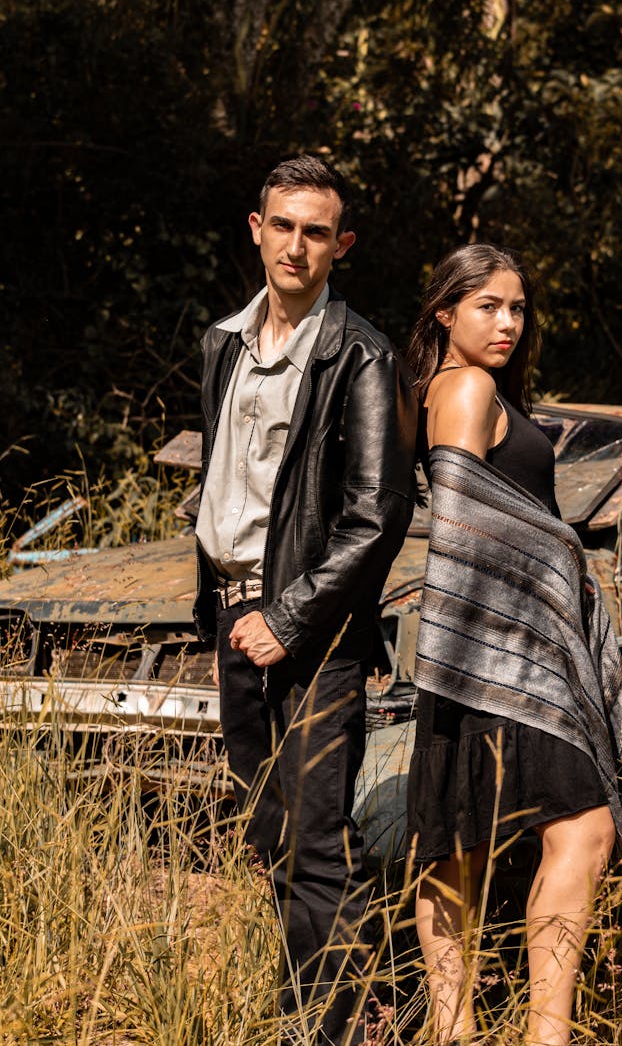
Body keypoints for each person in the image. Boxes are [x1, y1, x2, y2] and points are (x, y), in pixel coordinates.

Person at [192, 154, 418, 1044]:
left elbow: (376, 514)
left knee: (315, 840)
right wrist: (222, 607)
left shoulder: (361, 353)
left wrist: (288, 619)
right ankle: (380, 1004)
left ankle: (316, 1029)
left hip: (310, 630)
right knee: (272, 833)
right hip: (233, 617)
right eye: (282, 226)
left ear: (341, 245)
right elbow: (230, 485)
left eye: (316, 231)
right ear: (257, 229)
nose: (296, 246)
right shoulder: (223, 342)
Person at [404, 245, 622, 1046]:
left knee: (467, 840)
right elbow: (465, 527)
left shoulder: (476, 387)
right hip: (492, 654)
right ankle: (528, 1031)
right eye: (488, 307)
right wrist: (557, 562)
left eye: (518, 308)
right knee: (569, 828)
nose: (508, 323)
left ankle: (470, 1029)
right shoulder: (467, 388)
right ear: (444, 312)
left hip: (496, 650)